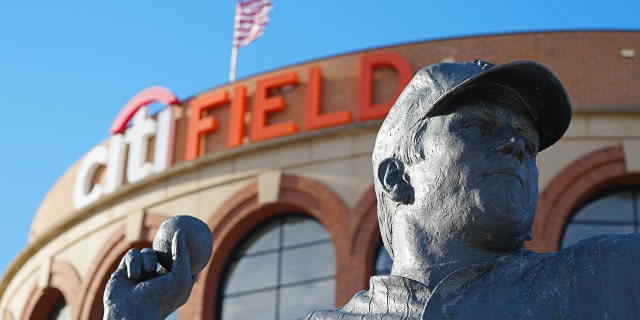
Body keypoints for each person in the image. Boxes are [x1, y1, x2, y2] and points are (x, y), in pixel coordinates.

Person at [304, 60, 640, 319]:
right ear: (396, 178)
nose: (515, 144)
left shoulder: (610, 273)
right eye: (479, 126)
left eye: (529, 142)